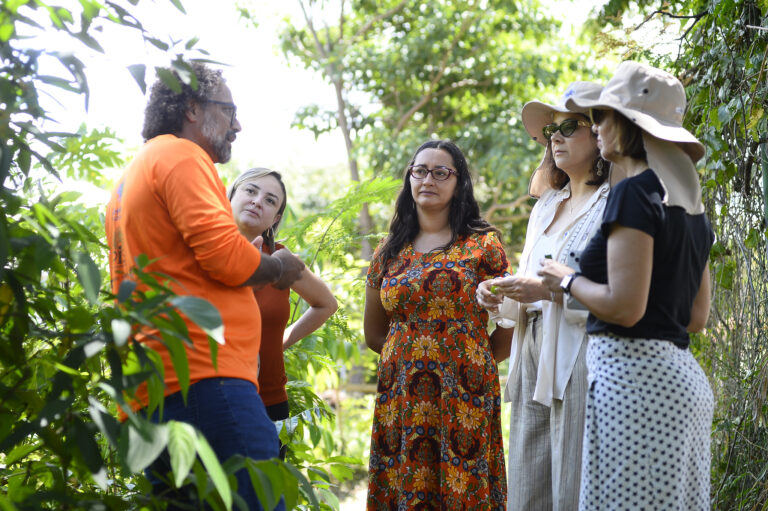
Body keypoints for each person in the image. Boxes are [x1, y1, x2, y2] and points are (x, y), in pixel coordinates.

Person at [105, 63, 304, 510]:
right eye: (229, 111)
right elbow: (225, 257)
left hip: (153, 394)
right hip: (205, 383)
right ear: (192, 108)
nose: (237, 125)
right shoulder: (181, 156)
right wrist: (277, 268)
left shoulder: (126, 180)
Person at [538, 61, 713, 510]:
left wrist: (568, 279)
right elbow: (696, 318)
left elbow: (625, 308)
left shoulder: (633, 192)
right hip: (681, 383)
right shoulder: (690, 206)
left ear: (630, 124)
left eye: (602, 115)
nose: (596, 126)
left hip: (633, 382)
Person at [476, 81, 609, 511]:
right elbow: (533, 276)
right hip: (530, 346)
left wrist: (549, 292)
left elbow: (617, 289)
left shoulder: (614, 201)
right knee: (529, 482)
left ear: (600, 133)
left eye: (570, 126)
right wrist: (500, 292)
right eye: (552, 129)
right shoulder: (546, 204)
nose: (555, 136)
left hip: (580, 351)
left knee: (571, 480)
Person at [364, 140, 514, 510]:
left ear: (458, 181)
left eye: (440, 172)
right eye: (420, 170)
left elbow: (507, 326)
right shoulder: (388, 251)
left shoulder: (483, 246)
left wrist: (466, 366)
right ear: (409, 178)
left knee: (464, 488)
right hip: (401, 396)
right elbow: (374, 333)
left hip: (465, 396)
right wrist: (411, 360)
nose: (428, 179)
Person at [227, 167, 338, 456]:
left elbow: (327, 304)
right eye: (250, 191)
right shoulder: (206, 251)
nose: (257, 201)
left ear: (275, 218)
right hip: (214, 397)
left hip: (270, 403)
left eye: (270, 200)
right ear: (231, 196)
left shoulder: (282, 261)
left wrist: (281, 341)